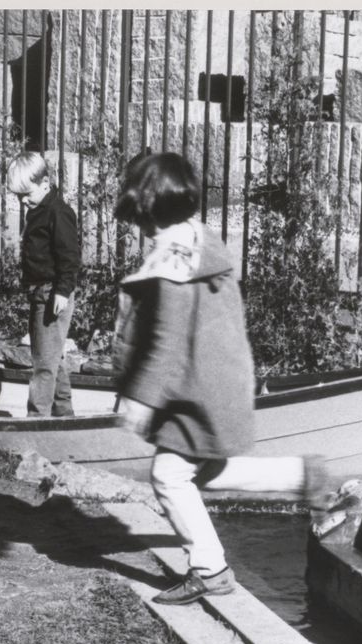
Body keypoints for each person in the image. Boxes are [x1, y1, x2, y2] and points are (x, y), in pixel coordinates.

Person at [112, 151, 329, 606]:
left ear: (148, 208)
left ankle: (210, 569)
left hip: (198, 388)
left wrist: (140, 399)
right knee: (204, 468)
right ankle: (299, 474)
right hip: (219, 381)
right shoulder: (201, 241)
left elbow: (166, 342)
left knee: (169, 475)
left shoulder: (175, 262)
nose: (140, 227)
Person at [7, 152, 80, 417]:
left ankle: (37, 417)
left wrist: (62, 290)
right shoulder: (38, 210)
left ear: (45, 182)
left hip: (52, 294)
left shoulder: (59, 213)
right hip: (40, 293)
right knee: (52, 356)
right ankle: (63, 413)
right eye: (18, 197)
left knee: (43, 365)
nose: (23, 201)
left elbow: (69, 257)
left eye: (27, 194)